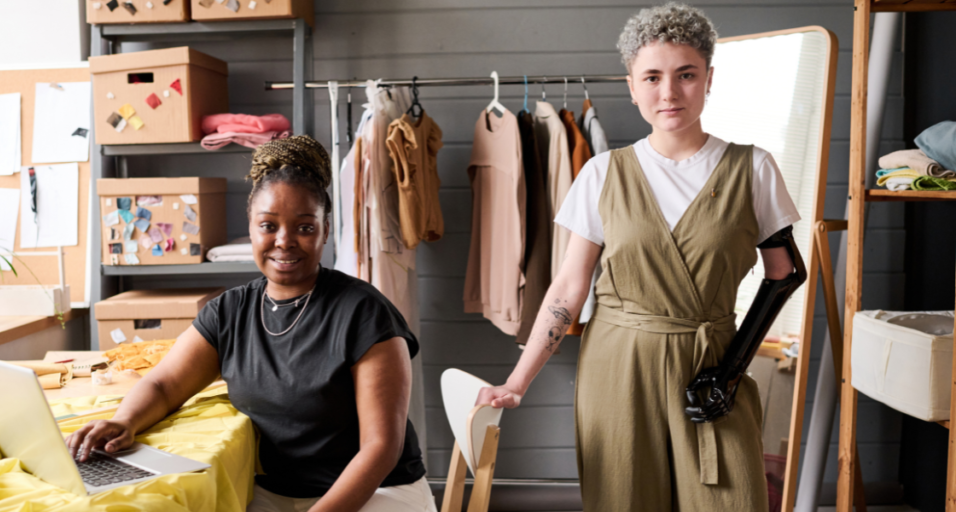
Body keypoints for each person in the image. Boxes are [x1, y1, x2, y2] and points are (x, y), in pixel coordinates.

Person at [476, 3, 803, 511]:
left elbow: (785, 274)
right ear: (632, 85)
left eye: (686, 75)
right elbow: (566, 287)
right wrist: (517, 384)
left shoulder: (752, 167)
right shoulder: (603, 174)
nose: (668, 92)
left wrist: (732, 369)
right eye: (652, 77)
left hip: (711, 363)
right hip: (619, 368)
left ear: (709, 79)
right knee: (625, 499)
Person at [66, 136, 436, 512]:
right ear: (252, 229)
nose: (284, 241)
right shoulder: (229, 312)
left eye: (304, 228)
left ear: (325, 230)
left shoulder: (365, 313)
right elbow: (163, 384)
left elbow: (381, 448)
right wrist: (125, 421)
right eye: (268, 226)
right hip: (276, 492)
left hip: (376, 491)